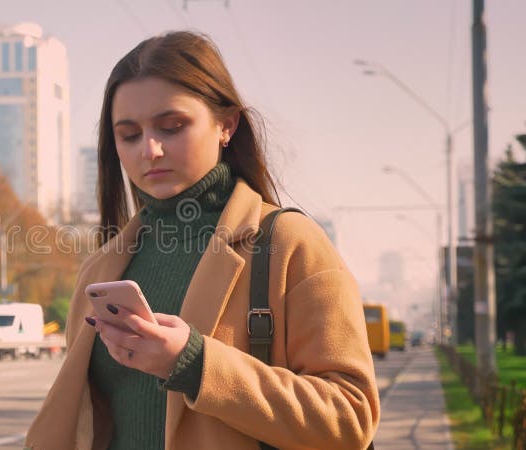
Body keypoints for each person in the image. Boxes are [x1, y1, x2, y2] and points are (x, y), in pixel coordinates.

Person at [25, 31, 379, 450]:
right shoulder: (102, 268)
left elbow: (350, 417)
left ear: (226, 124)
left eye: (171, 127)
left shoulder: (289, 244)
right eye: (129, 134)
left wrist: (195, 363)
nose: (150, 150)